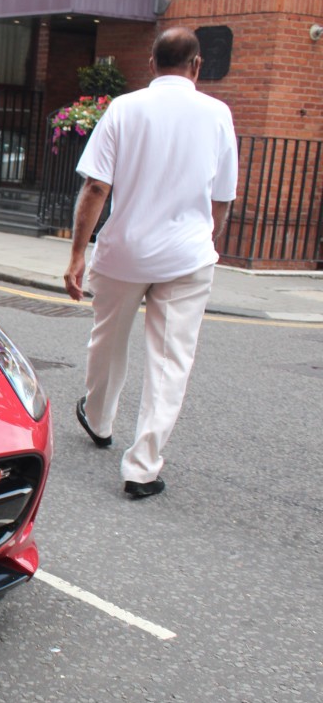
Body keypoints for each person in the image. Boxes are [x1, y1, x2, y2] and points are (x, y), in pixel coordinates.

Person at [63, 26, 238, 500]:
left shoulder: (125, 108)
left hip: (124, 252)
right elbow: (221, 199)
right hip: (187, 256)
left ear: (151, 63)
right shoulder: (218, 114)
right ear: (197, 66)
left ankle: (99, 420)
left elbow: (96, 188)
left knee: (108, 338)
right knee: (170, 361)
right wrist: (202, 238)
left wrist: (78, 253)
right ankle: (142, 468)